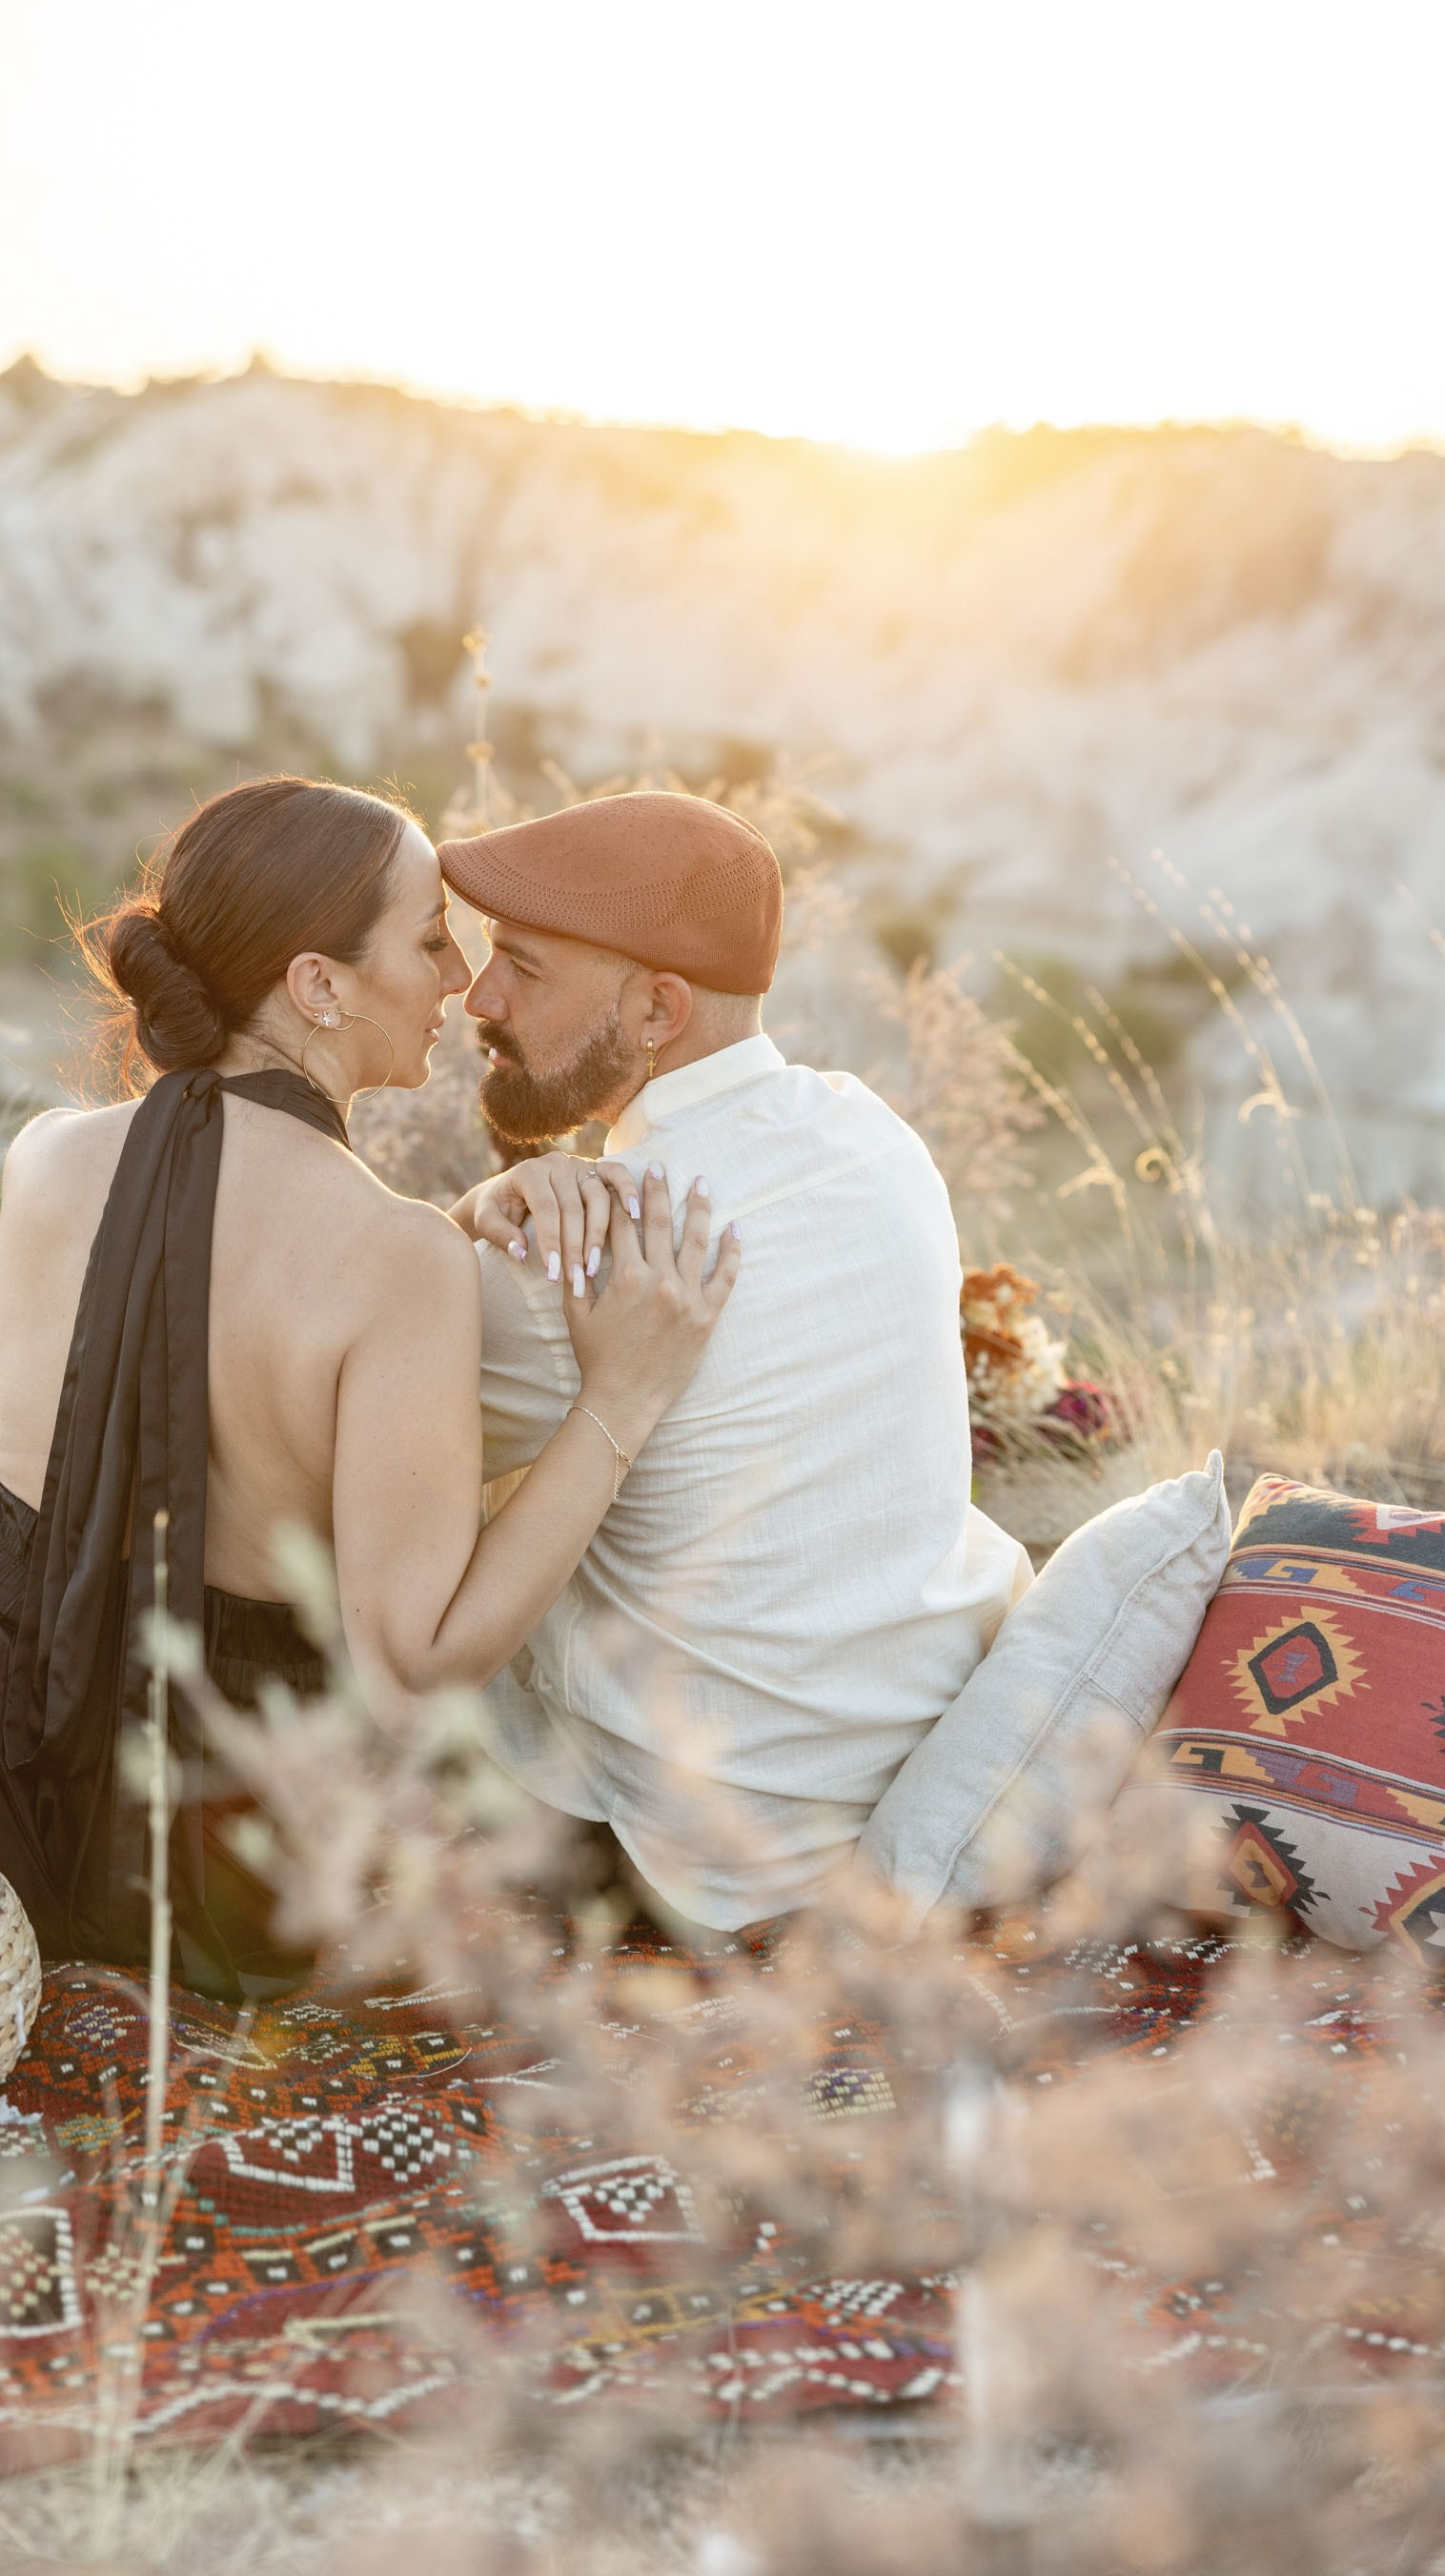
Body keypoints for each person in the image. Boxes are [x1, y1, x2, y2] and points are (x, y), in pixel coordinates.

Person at [0, 778, 736, 1991]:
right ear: (317, 984)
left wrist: (446, 1231)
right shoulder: (396, 1263)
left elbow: (207, 1279)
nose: (457, 977)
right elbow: (415, 1664)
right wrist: (621, 1399)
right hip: (202, 1827)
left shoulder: (50, 1154)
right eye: (431, 938)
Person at [435, 790, 1029, 1935]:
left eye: (525, 966)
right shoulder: (876, 1138)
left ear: (659, 1008)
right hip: (890, 1758)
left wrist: (468, 1218)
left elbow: (339, 1427)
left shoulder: (595, 1249)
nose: (479, 998)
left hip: (710, 1849)